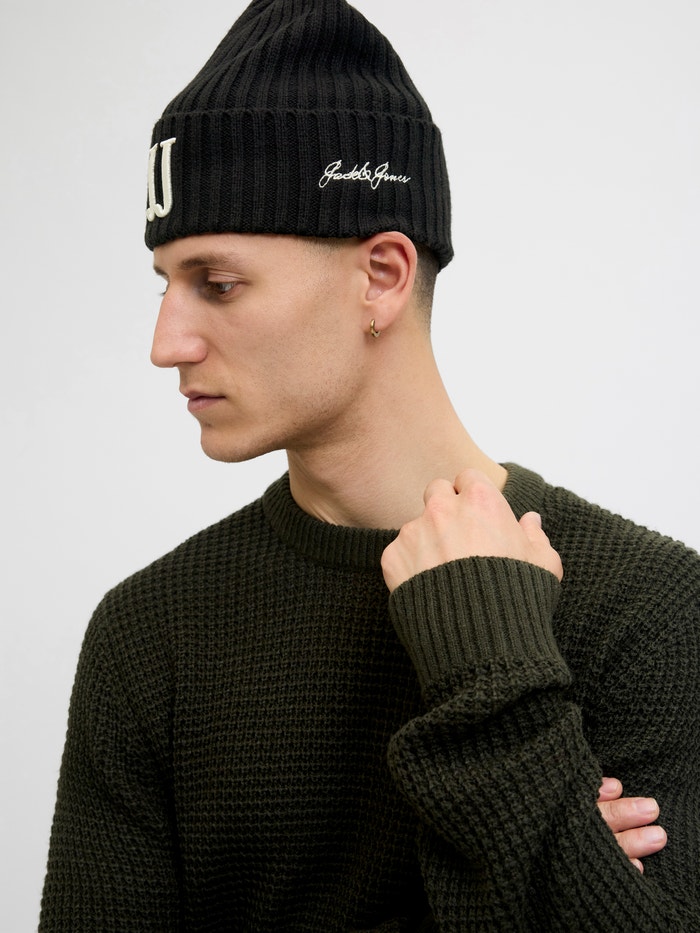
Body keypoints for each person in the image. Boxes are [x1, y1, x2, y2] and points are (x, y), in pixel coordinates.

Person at [40, 0, 700, 929]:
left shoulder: (651, 610)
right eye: (165, 285)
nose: (165, 342)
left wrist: (491, 662)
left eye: (217, 284)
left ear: (382, 275)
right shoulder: (149, 636)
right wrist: (545, 859)